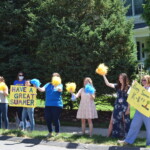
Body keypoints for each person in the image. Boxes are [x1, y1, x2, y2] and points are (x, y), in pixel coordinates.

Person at [118, 75, 150, 146]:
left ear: (149, 80)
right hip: (139, 111)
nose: (143, 81)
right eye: (142, 80)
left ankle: (149, 143)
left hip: (148, 112)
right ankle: (128, 141)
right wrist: (134, 86)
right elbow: (131, 94)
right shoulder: (140, 88)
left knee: (149, 128)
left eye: (144, 80)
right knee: (133, 126)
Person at [102, 73, 130, 138]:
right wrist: (103, 75)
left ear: (125, 79)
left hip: (125, 106)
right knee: (115, 120)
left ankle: (127, 137)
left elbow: (130, 100)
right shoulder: (117, 86)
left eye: (121, 78)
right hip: (117, 106)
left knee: (125, 121)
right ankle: (114, 135)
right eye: (119, 78)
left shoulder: (129, 87)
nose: (120, 79)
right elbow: (108, 83)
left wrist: (128, 109)